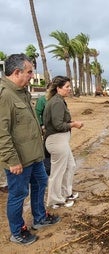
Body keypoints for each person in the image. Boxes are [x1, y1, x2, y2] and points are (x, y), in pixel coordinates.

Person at [0, 53, 60, 245]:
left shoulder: (22, 91)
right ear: (17, 72)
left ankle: (40, 218)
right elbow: (2, 133)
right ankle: (17, 232)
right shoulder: (5, 95)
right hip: (19, 159)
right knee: (18, 194)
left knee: (41, 182)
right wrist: (12, 160)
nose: (32, 76)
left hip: (34, 155)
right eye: (29, 72)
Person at [43, 76, 83, 209]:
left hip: (60, 140)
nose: (69, 89)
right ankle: (55, 200)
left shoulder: (58, 101)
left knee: (70, 166)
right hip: (56, 140)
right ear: (59, 88)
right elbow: (58, 125)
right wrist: (74, 124)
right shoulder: (57, 102)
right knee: (57, 172)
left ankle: (66, 193)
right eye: (67, 87)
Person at [35, 84, 51, 175]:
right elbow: (37, 113)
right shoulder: (42, 100)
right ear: (47, 89)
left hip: (55, 129)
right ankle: (47, 168)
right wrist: (41, 125)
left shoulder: (56, 99)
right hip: (46, 128)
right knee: (46, 147)